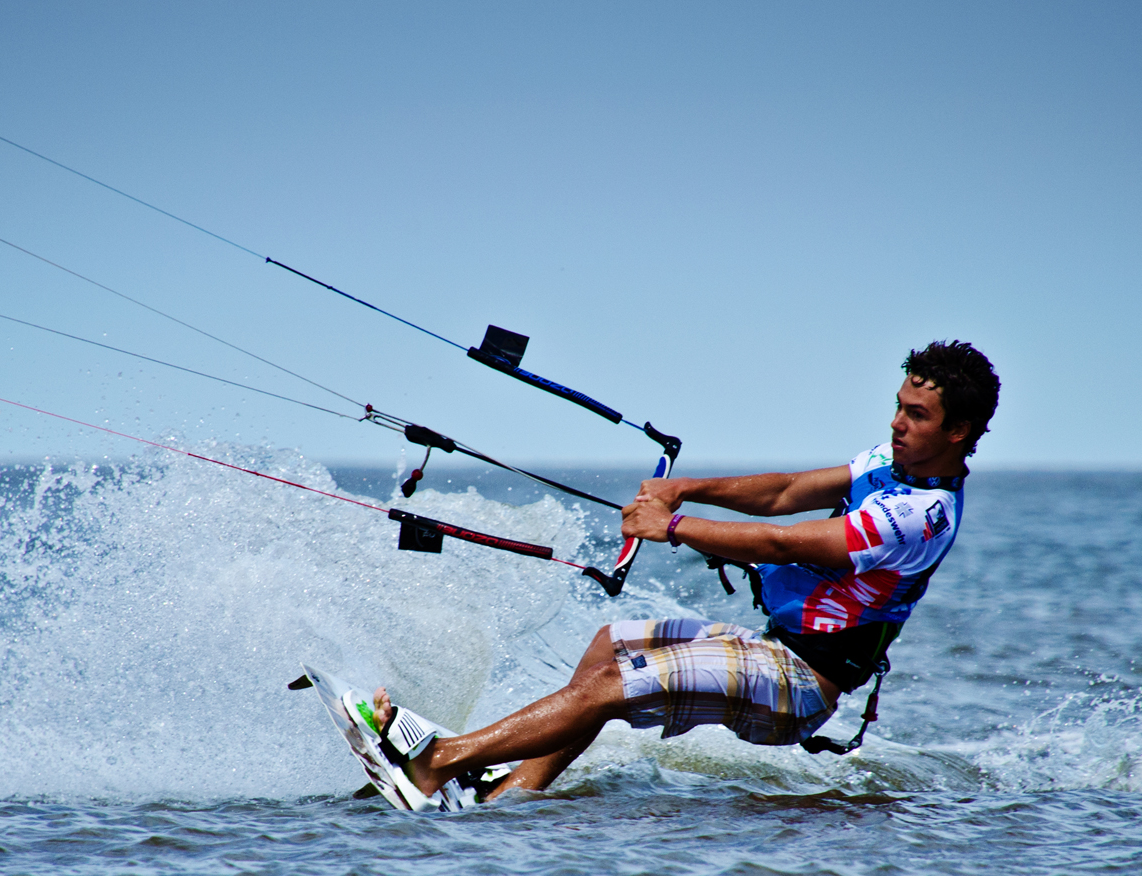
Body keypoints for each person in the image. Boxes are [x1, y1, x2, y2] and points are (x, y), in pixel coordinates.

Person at [373, 340, 1000, 803]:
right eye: (898, 406)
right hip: (774, 651)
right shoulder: (888, 465)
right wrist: (687, 490)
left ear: (958, 431)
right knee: (606, 649)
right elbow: (784, 493)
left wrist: (669, 526)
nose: (896, 423)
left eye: (916, 416)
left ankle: (441, 761)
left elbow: (783, 543)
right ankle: (514, 791)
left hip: (800, 686)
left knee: (610, 690)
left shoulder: (922, 515)